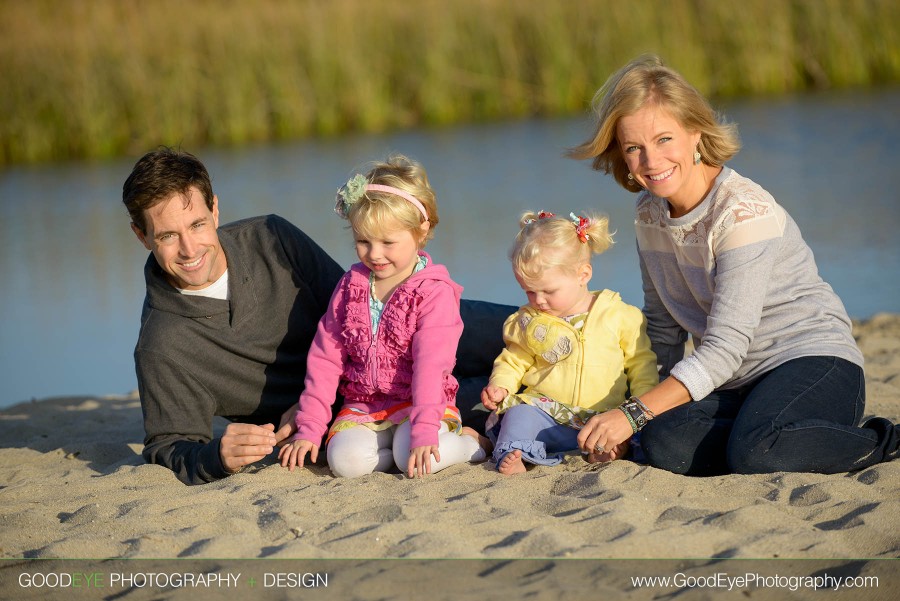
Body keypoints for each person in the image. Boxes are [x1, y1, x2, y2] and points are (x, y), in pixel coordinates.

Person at [567, 54, 899, 476]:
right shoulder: (649, 214)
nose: (651, 161)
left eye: (665, 139)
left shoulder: (742, 212)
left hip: (813, 361)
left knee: (758, 451)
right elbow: (663, 327)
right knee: (663, 443)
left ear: (695, 133)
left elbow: (724, 346)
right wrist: (642, 417)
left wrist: (632, 414)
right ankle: (780, 435)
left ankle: (882, 439)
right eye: (635, 148)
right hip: (735, 382)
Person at [123, 148, 510, 485]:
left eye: (197, 224)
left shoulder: (271, 238)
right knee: (504, 401)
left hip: (406, 321)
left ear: (215, 209)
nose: (190, 249)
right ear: (141, 236)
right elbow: (167, 444)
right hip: (350, 407)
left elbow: (359, 306)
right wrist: (215, 456)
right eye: (167, 236)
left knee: (524, 331)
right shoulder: (163, 345)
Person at [279, 155, 490, 478]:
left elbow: (431, 367)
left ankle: (471, 444)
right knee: (344, 464)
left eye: (388, 242)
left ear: (422, 229)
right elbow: (325, 359)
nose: (374, 254)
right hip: (364, 407)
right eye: (363, 241)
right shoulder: (351, 286)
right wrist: (309, 428)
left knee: (418, 459)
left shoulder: (433, 292)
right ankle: (391, 452)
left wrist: (423, 432)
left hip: (419, 405)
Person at [480, 210, 658, 474]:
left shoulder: (619, 315)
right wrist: (501, 385)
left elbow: (640, 365)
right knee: (519, 416)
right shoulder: (531, 321)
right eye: (529, 291)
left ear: (583, 274)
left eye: (548, 291)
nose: (538, 300)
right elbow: (514, 359)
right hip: (545, 411)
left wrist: (641, 404)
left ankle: (606, 453)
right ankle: (516, 454)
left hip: (601, 415)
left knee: (614, 437)